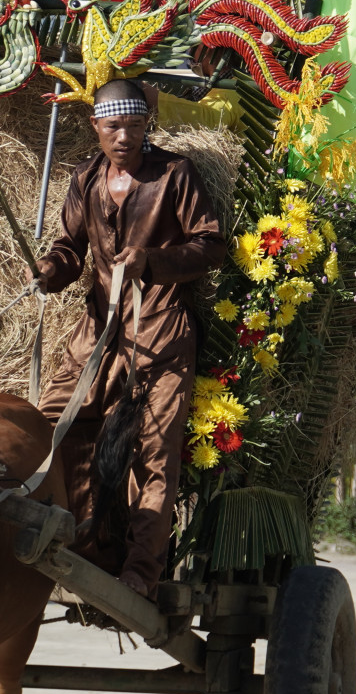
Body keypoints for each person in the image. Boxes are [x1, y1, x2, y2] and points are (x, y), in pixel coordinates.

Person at [31, 78, 225, 597]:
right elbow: (70, 247)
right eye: (113, 126)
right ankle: (68, 545)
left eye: (134, 126)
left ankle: (141, 570)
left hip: (161, 334)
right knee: (52, 429)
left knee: (156, 452)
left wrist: (154, 262)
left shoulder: (174, 174)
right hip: (96, 335)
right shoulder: (85, 178)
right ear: (95, 127)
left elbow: (210, 245)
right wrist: (51, 269)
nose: (123, 136)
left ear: (147, 126)